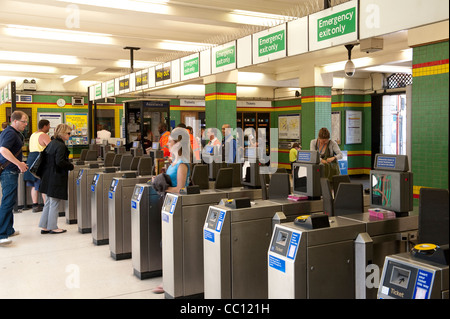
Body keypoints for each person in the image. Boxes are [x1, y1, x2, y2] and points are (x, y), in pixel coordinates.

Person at [152, 127, 190, 294]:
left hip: (177, 205)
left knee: (170, 242)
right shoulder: (174, 160)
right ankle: (167, 277)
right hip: (168, 204)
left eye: (170, 141)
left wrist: (162, 187)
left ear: (178, 143)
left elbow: (181, 189)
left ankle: (168, 280)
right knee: (165, 242)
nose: (167, 143)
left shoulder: (182, 163)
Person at [38, 124, 74, 234]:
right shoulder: (61, 146)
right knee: (54, 202)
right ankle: (53, 226)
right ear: (62, 134)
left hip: (48, 176)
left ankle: (44, 226)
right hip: (56, 176)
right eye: (68, 133)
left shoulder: (52, 143)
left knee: (48, 201)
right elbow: (60, 161)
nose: (69, 135)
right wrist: (70, 166)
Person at [0, 111, 29, 246]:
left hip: (10, 170)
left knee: (10, 201)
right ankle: (1, 234)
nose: (26, 124)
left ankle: (8, 229)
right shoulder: (10, 133)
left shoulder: (13, 133)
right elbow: (3, 150)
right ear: (15, 121)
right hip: (8, 171)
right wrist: (18, 163)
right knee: (7, 201)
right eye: (24, 121)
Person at [23, 119, 51, 212]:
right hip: (40, 161)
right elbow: (51, 148)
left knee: (34, 185)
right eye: (48, 126)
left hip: (31, 159)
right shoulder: (44, 135)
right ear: (45, 126)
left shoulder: (33, 135)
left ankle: (35, 205)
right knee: (43, 185)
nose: (49, 127)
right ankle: (46, 206)